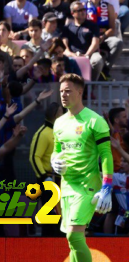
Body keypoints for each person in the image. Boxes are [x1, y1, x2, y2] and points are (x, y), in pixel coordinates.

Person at [51, 74, 114, 261]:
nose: (63, 95)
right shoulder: (59, 123)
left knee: (74, 235)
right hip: (67, 186)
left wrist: (107, 187)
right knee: (72, 241)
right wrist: (54, 162)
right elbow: (57, 151)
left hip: (88, 187)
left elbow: (106, 154)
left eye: (68, 91)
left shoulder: (95, 121)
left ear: (80, 92)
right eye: (61, 91)